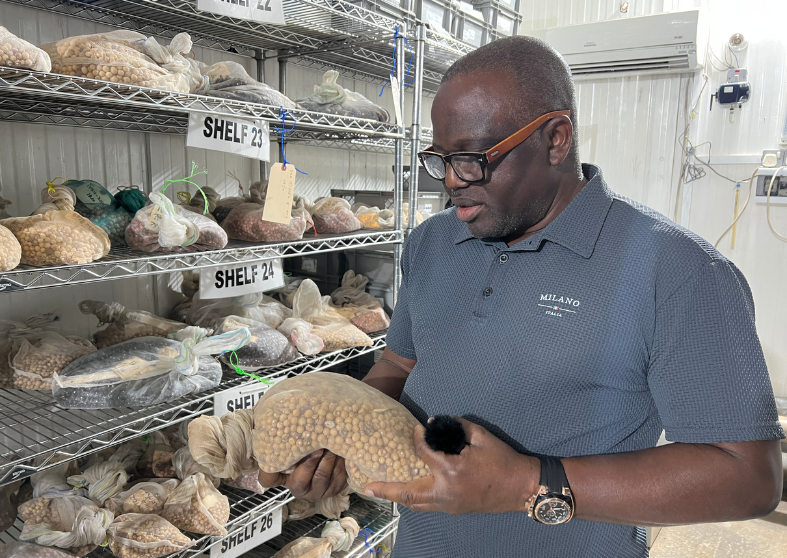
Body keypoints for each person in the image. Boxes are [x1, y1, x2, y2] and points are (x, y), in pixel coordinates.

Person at [259, 36, 785, 557]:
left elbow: (748, 476)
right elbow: (399, 362)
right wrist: (336, 435)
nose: (450, 183)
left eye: (470, 159)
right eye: (439, 159)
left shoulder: (679, 271)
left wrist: (525, 484)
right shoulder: (433, 242)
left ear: (556, 139)